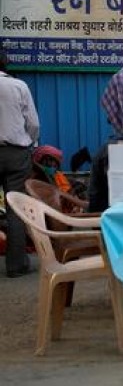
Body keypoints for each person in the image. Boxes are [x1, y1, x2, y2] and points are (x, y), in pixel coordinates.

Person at [0, 48, 41, 278]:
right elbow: (33, 124)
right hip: (16, 153)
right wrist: (31, 144)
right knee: (15, 208)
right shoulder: (18, 86)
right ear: (5, 63)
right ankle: (16, 266)